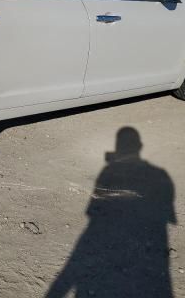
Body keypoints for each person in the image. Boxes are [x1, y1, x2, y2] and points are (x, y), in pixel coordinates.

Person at [46, 127, 176, 298]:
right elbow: (167, 215)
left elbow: (92, 211)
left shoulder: (109, 171)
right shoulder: (160, 175)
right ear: (140, 146)